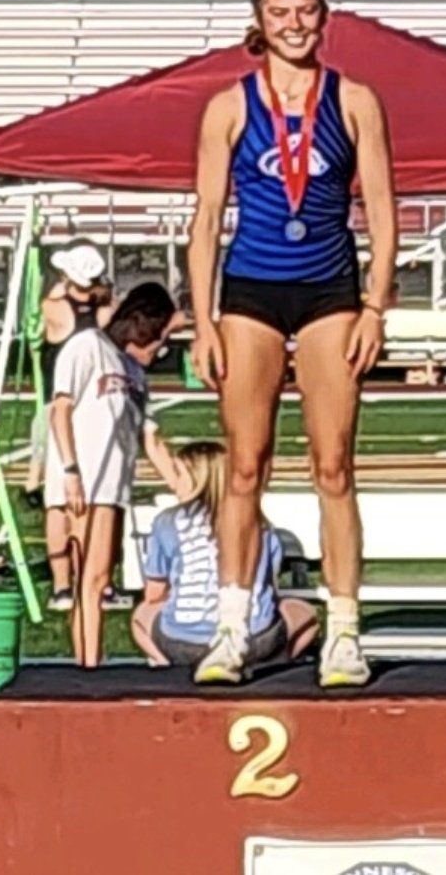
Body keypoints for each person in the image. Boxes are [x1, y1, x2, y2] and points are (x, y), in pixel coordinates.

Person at [186, 0, 397, 687]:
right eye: (281, 12)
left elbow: (384, 211)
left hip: (331, 293)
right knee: (245, 467)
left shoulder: (357, 101)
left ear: (324, 15)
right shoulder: (229, 108)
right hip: (250, 294)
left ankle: (343, 630)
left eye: (306, 10)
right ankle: (230, 627)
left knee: (334, 465)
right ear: (260, 19)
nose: (295, 24)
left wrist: (376, 305)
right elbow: (208, 217)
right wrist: (204, 318)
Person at [46, 282, 186, 667]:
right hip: (85, 482)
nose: (162, 349)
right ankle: (88, 665)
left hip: (114, 487)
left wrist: (187, 488)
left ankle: (91, 658)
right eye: (160, 339)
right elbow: (60, 409)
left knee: (100, 579)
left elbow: (150, 438)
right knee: (90, 580)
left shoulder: (133, 373)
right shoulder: (88, 345)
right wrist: (70, 471)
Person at [132, 441, 318, 668]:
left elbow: (154, 594)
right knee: (306, 613)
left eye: (179, 473)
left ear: (199, 478)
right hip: (255, 640)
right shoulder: (259, 524)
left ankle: (169, 667)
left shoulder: (167, 521)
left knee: (141, 615)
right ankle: (275, 663)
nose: (173, 481)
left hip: (182, 642)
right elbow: (268, 587)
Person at [22, 243, 116, 611]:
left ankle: (64, 585)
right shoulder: (105, 310)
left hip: (58, 406)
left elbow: (43, 306)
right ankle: (93, 579)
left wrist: (59, 286)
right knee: (91, 498)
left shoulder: (55, 308)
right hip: (94, 410)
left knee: (59, 503)